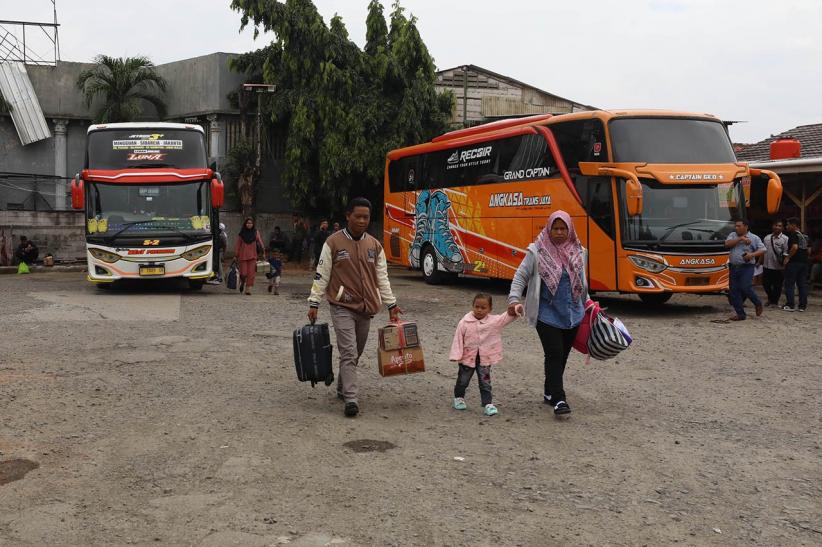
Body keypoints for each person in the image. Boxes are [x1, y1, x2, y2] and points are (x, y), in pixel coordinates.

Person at [307, 197, 403, 417]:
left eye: (366, 217)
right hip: (341, 305)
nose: (362, 220)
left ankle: (342, 387)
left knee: (355, 352)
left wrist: (391, 304)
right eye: (357, 216)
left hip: (366, 308)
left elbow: (382, 278)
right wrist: (314, 302)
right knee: (348, 351)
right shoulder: (332, 243)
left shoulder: (375, 246)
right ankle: (351, 399)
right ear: (348, 216)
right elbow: (322, 274)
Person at [507, 210, 588, 416]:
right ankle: (560, 399)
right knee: (554, 354)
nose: (559, 232)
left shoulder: (579, 251)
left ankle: (549, 392)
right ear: (549, 228)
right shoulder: (537, 251)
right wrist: (514, 299)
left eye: (563, 229)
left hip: (573, 314)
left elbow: (581, 282)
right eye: (556, 228)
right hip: (547, 314)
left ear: (569, 230)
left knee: (562, 356)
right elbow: (521, 276)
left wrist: (587, 304)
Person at [449, 293, 518, 417]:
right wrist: (456, 355)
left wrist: (514, 310)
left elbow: (505, 317)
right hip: (467, 358)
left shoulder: (493, 321)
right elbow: (458, 339)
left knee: (485, 382)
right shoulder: (465, 322)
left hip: (484, 359)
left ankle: (487, 404)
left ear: (490, 309)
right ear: (473, 306)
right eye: (477, 307)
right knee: (462, 381)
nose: (479, 310)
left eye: (483, 307)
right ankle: (458, 398)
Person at [725, 219, 766, 321]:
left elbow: (763, 249)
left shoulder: (754, 237)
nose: (736, 228)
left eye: (739, 226)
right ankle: (740, 314)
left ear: (746, 227)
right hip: (733, 266)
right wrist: (740, 239)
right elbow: (727, 244)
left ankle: (757, 303)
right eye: (736, 226)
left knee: (745, 287)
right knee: (733, 291)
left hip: (746, 267)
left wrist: (752, 254)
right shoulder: (732, 235)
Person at [782, 217, 809, 312]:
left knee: (789, 284)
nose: (786, 226)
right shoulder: (805, 235)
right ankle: (802, 306)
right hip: (804, 263)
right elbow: (808, 249)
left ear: (794, 225)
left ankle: (790, 305)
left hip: (794, 263)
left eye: (788, 224)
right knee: (802, 284)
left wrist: (788, 257)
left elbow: (795, 247)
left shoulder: (793, 235)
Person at [234, 217, 265, 295]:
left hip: (253, 256)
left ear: (253, 224)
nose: (249, 224)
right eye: (248, 223)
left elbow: (260, 242)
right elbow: (238, 245)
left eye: (251, 223)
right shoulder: (241, 233)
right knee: (243, 273)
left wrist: (263, 252)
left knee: (251, 274)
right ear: (245, 224)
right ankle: (242, 283)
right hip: (243, 256)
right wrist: (236, 255)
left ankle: (248, 289)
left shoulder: (256, 232)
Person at [762, 220, 788, 307]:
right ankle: (770, 298)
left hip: (778, 266)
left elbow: (785, 252)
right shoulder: (767, 238)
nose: (777, 227)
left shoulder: (785, 239)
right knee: (765, 284)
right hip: (766, 265)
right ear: (772, 226)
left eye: (779, 226)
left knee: (777, 285)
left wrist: (784, 263)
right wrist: (759, 262)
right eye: (776, 225)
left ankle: (774, 302)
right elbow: (763, 251)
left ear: (782, 228)